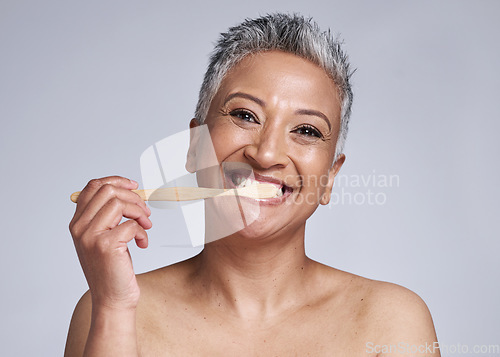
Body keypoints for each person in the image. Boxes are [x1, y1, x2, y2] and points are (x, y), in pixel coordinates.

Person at [65, 13, 440, 356]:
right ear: (196, 147)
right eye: (245, 115)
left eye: (306, 130)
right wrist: (113, 308)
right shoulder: (110, 307)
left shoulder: (392, 323)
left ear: (329, 179)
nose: (266, 154)